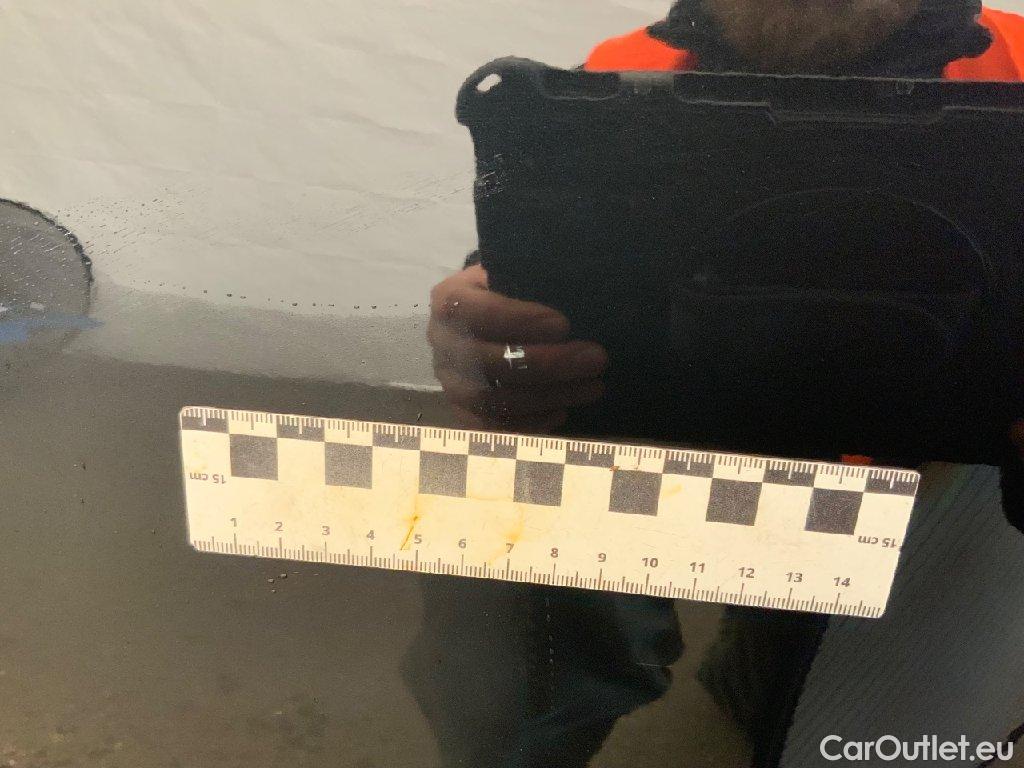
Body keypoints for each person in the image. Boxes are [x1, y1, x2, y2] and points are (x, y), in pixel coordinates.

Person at [411, 3, 1024, 767]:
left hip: (935, 493)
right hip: (697, 459)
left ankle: (762, 671)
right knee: (507, 572)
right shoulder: (618, 73)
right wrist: (494, 336)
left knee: (824, 694)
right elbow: (549, 283)